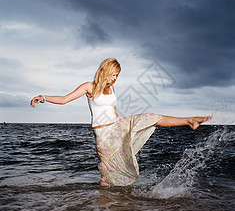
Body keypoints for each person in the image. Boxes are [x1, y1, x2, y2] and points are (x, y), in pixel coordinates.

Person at [30, 58, 212, 187]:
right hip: (103, 136)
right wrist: (43, 97)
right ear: (105, 71)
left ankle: (189, 121)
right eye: (113, 75)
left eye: (117, 76)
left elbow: (112, 110)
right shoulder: (89, 86)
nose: (114, 79)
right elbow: (64, 99)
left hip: (116, 127)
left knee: (149, 118)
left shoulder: (112, 88)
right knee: (108, 175)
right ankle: (104, 209)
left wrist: (123, 124)